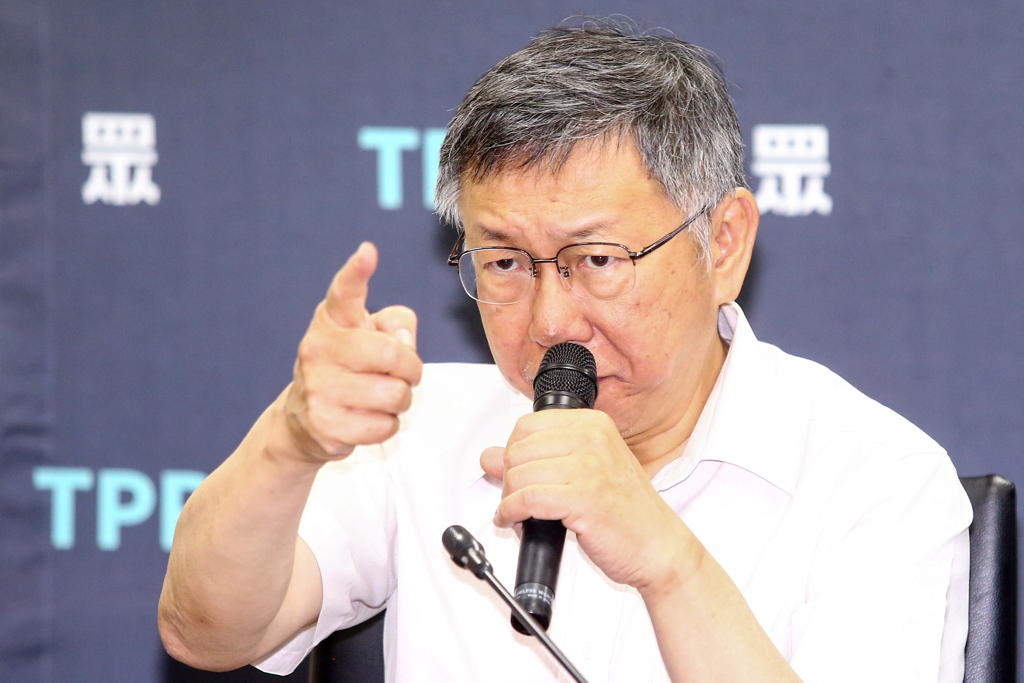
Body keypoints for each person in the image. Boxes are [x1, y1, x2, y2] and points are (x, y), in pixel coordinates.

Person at [158, 24, 972, 683]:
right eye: (506, 263)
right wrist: (289, 443)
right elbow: (205, 630)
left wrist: (668, 561)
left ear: (723, 244)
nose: (551, 320)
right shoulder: (414, 431)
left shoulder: (877, 479)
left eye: (598, 259)